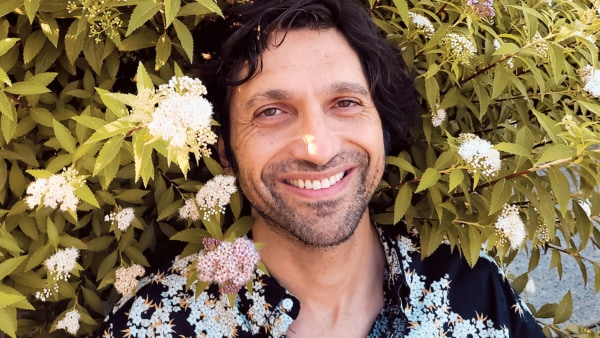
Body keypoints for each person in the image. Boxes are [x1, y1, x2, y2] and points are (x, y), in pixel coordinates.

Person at [96, 0, 546, 337]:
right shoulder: (153, 324)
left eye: (345, 103)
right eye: (271, 111)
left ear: (382, 126)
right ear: (224, 149)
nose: (317, 148)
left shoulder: (477, 293)